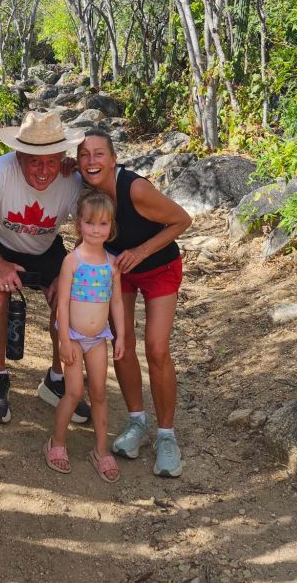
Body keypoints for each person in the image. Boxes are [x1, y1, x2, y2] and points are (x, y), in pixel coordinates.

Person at [0, 110, 90, 425]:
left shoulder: (71, 180)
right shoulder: (0, 171)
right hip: (2, 243)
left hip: (46, 247)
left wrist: (67, 274)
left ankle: (56, 379)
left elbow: (90, 230)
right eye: (35, 161)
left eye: (51, 161)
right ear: (19, 156)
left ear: (62, 157)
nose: (43, 171)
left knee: (67, 299)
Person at [76, 129, 191, 477]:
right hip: (119, 270)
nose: (91, 161)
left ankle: (166, 436)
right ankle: (137, 421)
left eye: (99, 154)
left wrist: (141, 252)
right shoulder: (86, 187)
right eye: (84, 155)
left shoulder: (135, 189)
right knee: (121, 343)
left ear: (114, 159)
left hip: (159, 267)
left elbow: (182, 220)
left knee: (157, 348)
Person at [44, 190, 125, 482]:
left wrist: (121, 337)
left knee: (100, 393)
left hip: (98, 338)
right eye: (90, 223)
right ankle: (56, 443)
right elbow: (63, 303)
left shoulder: (112, 265)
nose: (96, 229)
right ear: (79, 224)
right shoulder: (72, 261)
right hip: (75, 338)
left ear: (111, 227)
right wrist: (65, 340)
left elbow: (117, 303)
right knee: (75, 391)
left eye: (103, 223)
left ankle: (101, 451)